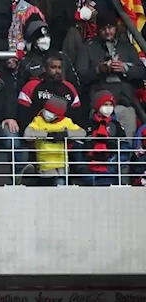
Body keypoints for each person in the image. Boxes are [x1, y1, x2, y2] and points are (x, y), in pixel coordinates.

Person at [76, 10, 146, 139]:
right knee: (101, 146)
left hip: (126, 103)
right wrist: (98, 70)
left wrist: (124, 68)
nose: (108, 32)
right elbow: (80, 76)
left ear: (116, 27)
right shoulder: (88, 47)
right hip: (99, 106)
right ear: (98, 28)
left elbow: (142, 71)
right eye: (104, 28)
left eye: (111, 27)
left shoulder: (127, 47)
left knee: (127, 144)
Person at [24, 96, 86, 185]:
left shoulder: (66, 122)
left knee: (61, 186)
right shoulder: (38, 120)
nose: (46, 113)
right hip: (45, 167)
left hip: (62, 167)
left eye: (51, 112)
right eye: (46, 110)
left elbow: (82, 133)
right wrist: (48, 135)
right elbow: (27, 134)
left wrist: (65, 134)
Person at [73, 90, 130, 186]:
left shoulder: (116, 126)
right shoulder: (86, 125)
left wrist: (114, 162)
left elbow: (124, 147)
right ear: (97, 105)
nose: (108, 108)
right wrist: (82, 167)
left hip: (110, 172)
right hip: (88, 173)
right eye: (105, 104)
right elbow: (77, 148)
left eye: (110, 104)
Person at [18, 53, 81, 130]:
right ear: (45, 68)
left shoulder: (69, 87)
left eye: (59, 68)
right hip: (38, 133)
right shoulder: (31, 85)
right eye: (53, 67)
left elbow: (77, 115)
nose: (57, 71)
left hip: (64, 134)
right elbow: (22, 113)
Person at [17, 16, 79, 90]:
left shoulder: (61, 57)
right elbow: (20, 90)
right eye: (41, 37)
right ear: (33, 40)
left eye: (47, 35)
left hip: (62, 99)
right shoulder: (26, 62)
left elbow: (75, 85)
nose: (46, 39)